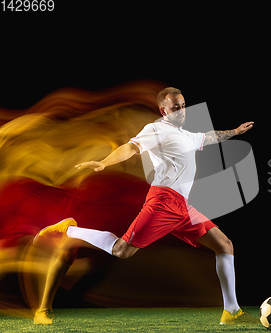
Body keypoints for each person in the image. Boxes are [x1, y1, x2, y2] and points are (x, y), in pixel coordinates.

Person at [33, 87, 254, 325]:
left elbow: (209, 137)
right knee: (121, 251)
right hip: (163, 202)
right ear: (163, 110)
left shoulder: (187, 135)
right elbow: (130, 148)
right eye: (175, 107)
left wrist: (234, 131)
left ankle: (231, 311)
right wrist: (104, 163)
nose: (181, 111)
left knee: (224, 244)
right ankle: (67, 229)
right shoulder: (156, 129)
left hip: (183, 207)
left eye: (183, 106)